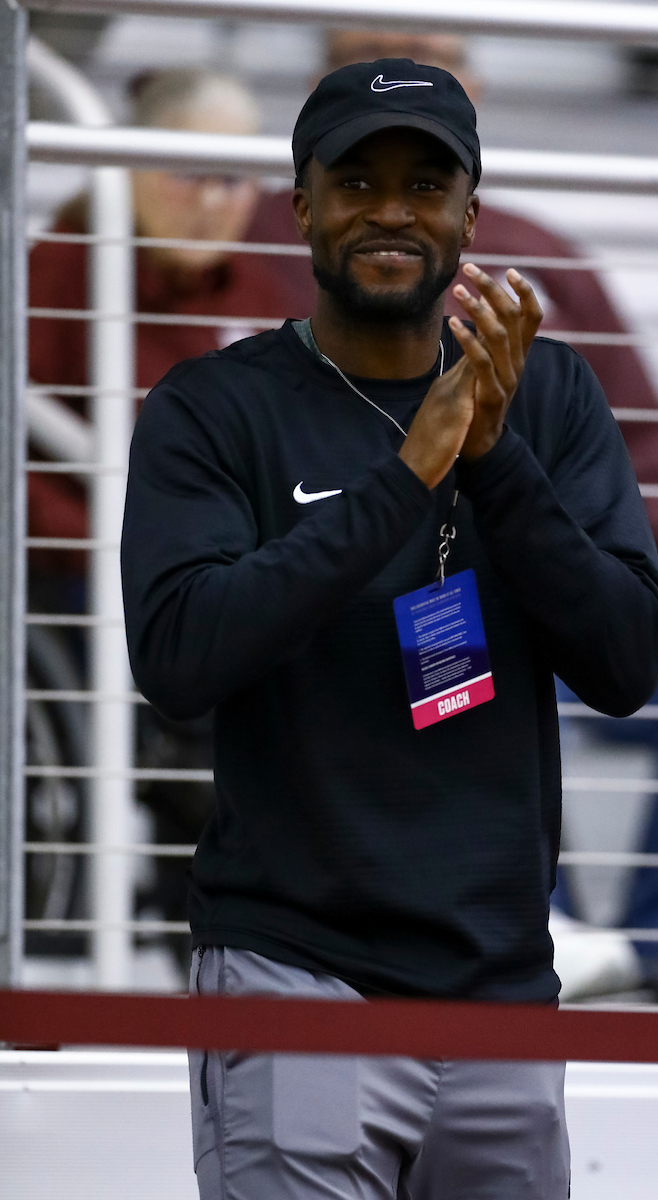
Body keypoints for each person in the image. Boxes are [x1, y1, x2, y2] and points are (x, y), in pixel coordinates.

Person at [122, 59, 658, 1198]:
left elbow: (625, 661)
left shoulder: (552, 399)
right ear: (302, 204)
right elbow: (178, 658)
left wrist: (491, 457)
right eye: (356, 180)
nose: (389, 209)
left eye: (425, 185)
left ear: (468, 214)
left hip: (504, 991)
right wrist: (406, 476)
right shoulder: (214, 406)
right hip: (295, 973)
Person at [245, 30, 658, 1001]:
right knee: (460, 659)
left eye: (428, 53)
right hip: (384, 617)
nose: (403, 72)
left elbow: (642, 440)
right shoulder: (261, 243)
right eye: (372, 50)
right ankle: (535, 936)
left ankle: (646, 970)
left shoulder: (544, 256)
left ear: (477, 84)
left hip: (551, 594)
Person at [27, 70, 294, 965]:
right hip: (88, 584)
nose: (215, 202)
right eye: (189, 174)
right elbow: (20, 465)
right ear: (130, 169)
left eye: (234, 179)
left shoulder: (262, 291)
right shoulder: (61, 269)